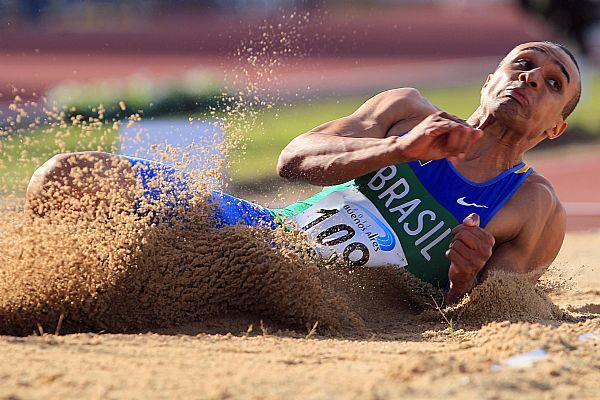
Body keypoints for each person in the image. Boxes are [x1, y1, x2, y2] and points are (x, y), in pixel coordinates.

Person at [25, 41, 582, 305]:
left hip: (340, 303)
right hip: (259, 239)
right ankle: (38, 295)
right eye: (523, 64)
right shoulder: (405, 113)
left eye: (554, 83)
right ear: (489, 79)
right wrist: (396, 152)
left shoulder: (534, 208)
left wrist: (465, 280)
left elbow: (491, 317)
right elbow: (293, 159)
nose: (533, 79)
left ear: (556, 127)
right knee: (65, 175)